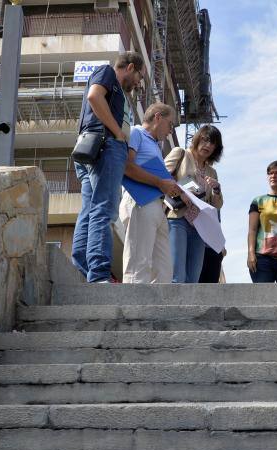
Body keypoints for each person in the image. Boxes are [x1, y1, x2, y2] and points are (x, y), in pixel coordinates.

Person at [71, 52, 144, 283]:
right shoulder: (107, 72)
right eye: (139, 76)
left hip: (92, 148)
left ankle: (84, 267)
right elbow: (94, 97)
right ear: (130, 67)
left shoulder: (114, 86)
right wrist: (118, 132)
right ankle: (99, 274)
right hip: (106, 146)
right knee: (105, 209)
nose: (139, 83)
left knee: (90, 210)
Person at [119, 103, 181, 283]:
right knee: (139, 262)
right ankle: (131, 308)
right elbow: (127, 166)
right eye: (170, 124)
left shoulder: (156, 145)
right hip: (139, 202)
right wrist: (160, 182)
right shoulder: (136, 132)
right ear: (158, 117)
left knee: (163, 270)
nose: (170, 131)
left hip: (157, 206)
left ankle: (157, 308)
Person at [164, 125, 224, 283]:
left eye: (213, 143)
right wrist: (180, 193)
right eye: (206, 140)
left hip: (199, 226)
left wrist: (217, 190)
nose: (208, 146)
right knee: (177, 275)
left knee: (193, 279)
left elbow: (216, 205)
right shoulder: (181, 153)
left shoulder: (212, 172)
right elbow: (162, 176)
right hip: (177, 219)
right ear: (197, 139)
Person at [248, 160, 277, 282]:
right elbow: (252, 230)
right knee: (264, 299)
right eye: (270, 173)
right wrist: (251, 253)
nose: (273, 176)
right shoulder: (258, 201)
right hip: (262, 258)